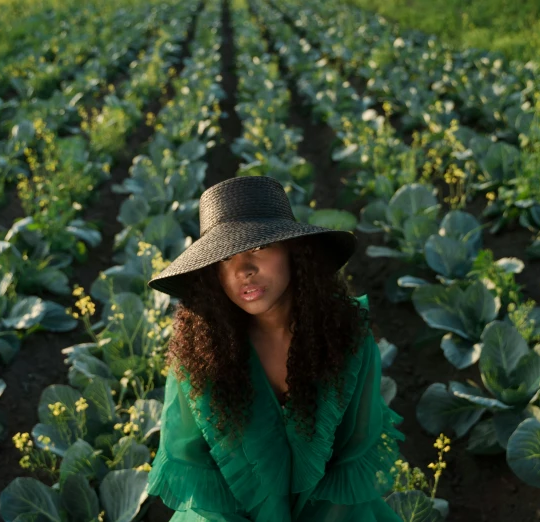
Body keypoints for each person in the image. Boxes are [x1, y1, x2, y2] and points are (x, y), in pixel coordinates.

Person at [145, 176, 406, 521]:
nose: (243, 270)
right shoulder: (198, 354)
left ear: (294, 252)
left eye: (258, 248)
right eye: (225, 259)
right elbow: (193, 464)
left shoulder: (349, 338)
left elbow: (353, 452)